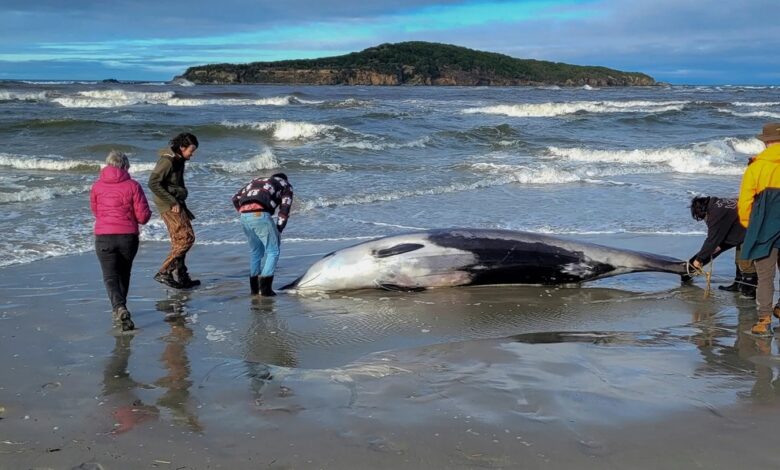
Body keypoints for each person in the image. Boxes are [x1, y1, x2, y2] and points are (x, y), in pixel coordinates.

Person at [90, 150, 151, 331]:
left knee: (110, 276)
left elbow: (96, 211)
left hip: (103, 236)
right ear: (125, 166)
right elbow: (143, 217)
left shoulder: (96, 186)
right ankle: (120, 307)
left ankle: (119, 307)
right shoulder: (133, 185)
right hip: (127, 237)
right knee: (124, 274)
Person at [738, 122, 780, 334]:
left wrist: (749, 225)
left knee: (765, 275)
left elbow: (744, 201)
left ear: (766, 143)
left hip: (765, 225)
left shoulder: (756, 167)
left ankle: (764, 320)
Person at [148, 132, 199, 289]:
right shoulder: (168, 160)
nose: (193, 154)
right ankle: (164, 272)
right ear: (182, 148)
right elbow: (153, 183)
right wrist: (171, 201)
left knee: (180, 240)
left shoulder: (179, 159)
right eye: (191, 150)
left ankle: (182, 276)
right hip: (169, 205)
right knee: (186, 239)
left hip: (176, 202)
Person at [231, 173, 294, 296]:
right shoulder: (286, 185)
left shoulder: (256, 180)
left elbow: (235, 198)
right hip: (260, 214)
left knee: (256, 251)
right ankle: (265, 289)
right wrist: (279, 229)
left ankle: (254, 290)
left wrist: (244, 212)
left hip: (244, 216)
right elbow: (284, 209)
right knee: (273, 251)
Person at [688, 196, 756, 298]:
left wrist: (699, 259)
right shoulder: (718, 204)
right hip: (744, 227)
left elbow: (712, 239)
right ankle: (738, 284)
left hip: (753, 229)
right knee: (739, 260)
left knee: (745, 262)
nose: (705, 219)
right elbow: (724, 231)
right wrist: (720, 245)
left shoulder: (716, 213)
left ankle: (750, 291)